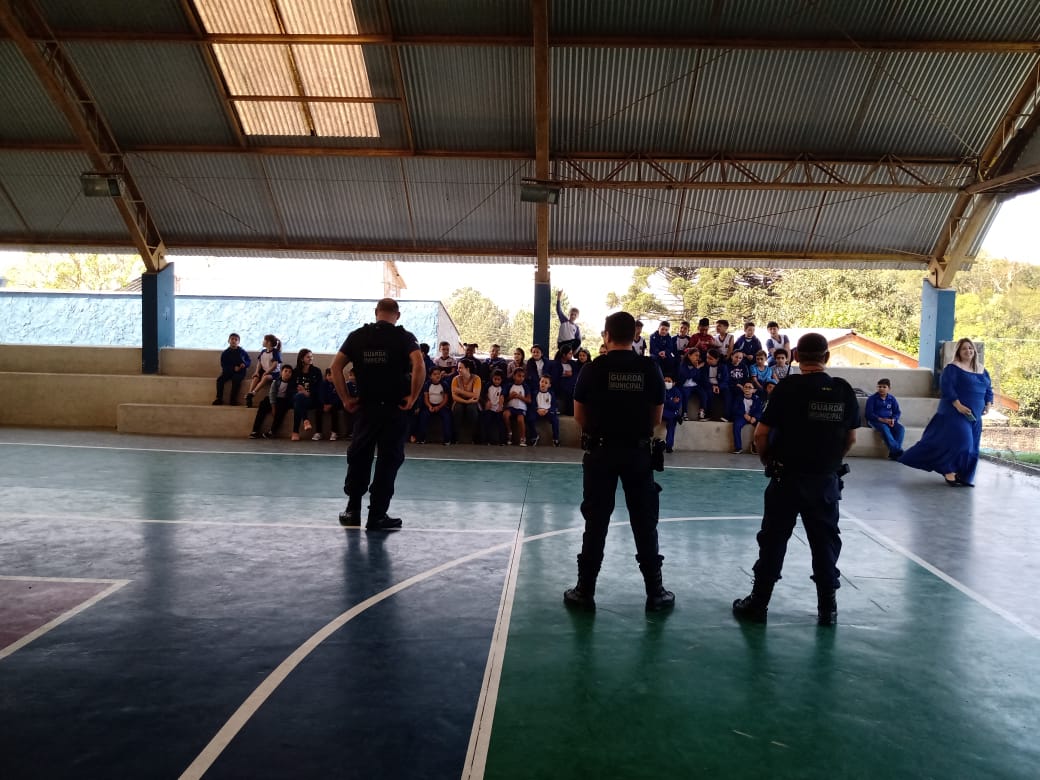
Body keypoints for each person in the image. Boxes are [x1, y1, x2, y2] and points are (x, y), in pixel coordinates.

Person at [732, 332, 860, 626]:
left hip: (787, 478)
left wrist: (768, 461)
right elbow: (851, 438)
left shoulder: (787, 388)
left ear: (796, 357)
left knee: (773, 541)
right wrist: (829, 463)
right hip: (824, 481)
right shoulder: (843, 390)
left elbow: (761, 434)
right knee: (825, 543)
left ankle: (759, 603)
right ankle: (828, 609)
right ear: (827, 357)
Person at [564, 311, 673, 613]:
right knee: (644, 521)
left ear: (607, 336)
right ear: (634, 336)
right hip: (638, 455)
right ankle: (655, 592)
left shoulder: (592, 369)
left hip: (601, 453)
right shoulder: (649, 368)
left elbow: (579, 415)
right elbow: (656, 417)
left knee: (596, 521)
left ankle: (585, 591)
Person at [331, 298, 425, 531]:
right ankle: (377, 516)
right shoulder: (404, 337)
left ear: (376, 312)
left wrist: (345, 399)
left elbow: (335, 367)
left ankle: (353, 510)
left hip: (366, 408)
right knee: (388, 460)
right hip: (394, 409)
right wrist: (413, 397)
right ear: (397, 315)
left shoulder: (358, 336)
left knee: (359, 456)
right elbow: (419, 364)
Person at [899, 338, 993, 487]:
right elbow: (947, 387)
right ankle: (948, 470)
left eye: (970, 348)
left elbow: (988, 389)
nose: (968, 351)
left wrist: (988, 404)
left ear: (974, 351)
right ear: (958, 352)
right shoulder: (952, 368)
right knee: (964, 443)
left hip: (975, 415)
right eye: (964, 348)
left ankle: (963, 476)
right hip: (955, 412)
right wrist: (958, 405)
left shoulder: (982, 370)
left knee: (973, 448)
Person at [249, 364, 294, 438]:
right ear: (281, 372)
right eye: (285, 371)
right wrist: (273, 408)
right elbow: (272, 395)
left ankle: (272, 432)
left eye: (290, 372)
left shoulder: (292, 384)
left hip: (283, 401)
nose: (287, 373)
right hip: (274, 399)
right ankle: (255, 430)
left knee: (282, 409)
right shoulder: (276, 382)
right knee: (263, 403)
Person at [865, 378, 905, 460]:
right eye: (879, 387)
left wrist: (893, 419)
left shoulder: (891, 399)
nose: (881, 389)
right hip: (875, 421)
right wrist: (882, 420)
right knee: (884, 428)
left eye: (884, 387)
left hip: (889, 421)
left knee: (901, 429)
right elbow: (869, 414)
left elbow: (897, 412)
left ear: (889, 388)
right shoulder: (872, 399)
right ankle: (898, 451)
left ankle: (894, 453)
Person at [291, 349, 324, 441]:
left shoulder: (316, 371)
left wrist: (307, 393)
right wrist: (300, 392)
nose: (311, 358)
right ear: (302, 359)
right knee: (298, 398)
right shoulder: (295, 372)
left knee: (298, 403)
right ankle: (305, 420)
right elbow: (291, 388)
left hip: (312, 399)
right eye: (308, 357)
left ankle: (295, 432)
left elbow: (319, 388)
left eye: (311, 357)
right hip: (298, 398)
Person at [416, 365, 453, 444]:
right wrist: (430, 406)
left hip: (441, 406)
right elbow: (426, 398)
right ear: (430, 376)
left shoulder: (444, 384)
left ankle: (447, 439)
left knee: (447, 417)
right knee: (423, 416)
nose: (437, 376)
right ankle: (421, 438)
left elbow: (445, 399)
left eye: (438, 374)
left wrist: (439, 407)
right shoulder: (427, 384)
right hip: (429, 405)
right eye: (435, 374)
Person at [213, 332, 251, 405]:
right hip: (228, 371)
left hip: (240, 372)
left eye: (236, 340)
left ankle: (233, 399)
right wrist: (233, 368)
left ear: (238, 342)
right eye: (232, 339)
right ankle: (219, 398)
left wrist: (245, 364)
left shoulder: (242, 352)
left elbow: (248, 360)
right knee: (220, 380)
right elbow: (224, 365)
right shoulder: (225, 353)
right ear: (229, 341)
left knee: (236, 379)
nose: (234, 341)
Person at [245, 334, 281, 408]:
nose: (262, 342)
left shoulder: (275, 352)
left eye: (264, 340)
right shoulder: (263, 351)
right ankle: (249, 395)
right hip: (264, 371)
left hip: (274, 373)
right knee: (255, 378)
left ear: (269, 342)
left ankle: (254, 393)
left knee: (265, 377)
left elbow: (274, 365)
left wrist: (267, 372)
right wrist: (256, 372)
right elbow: (259, 363)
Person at [450, 358, 481, 444]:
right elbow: (454, 397)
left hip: (473, 402)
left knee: (472, 409)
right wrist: (466, 401)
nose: (458, 370)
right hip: (460, 401)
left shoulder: (476, 379)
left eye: (460, 368)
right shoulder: (455, 379)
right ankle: (455, 437)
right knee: (458, 409)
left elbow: (476, 396)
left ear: (467, 369)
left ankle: (475, 437)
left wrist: (460, 391)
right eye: (458, 368)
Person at [732, 380, 764, 453]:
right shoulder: (738, 398)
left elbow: (759, 411)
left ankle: (755, 445)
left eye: (750, 387)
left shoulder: (757, 399)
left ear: (754, 390)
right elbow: (734, 409)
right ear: (743, 388)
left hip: (753, 417)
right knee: (736, 425)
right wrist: (744, 414)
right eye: (745, 387)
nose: (747, 389)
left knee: (760, 426)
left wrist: (755, 417)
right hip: (742, 417)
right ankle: (738, 447)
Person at [531, 375, 561, 446]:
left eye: (546, 382)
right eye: (542, 381)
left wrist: (548, 410)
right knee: (530, 418)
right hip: (538, 411)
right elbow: (532, 404)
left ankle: (555, 438)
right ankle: (534, 436)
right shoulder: (535, 393)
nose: (543, 384)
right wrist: (537, 409)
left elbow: (554, 405)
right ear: (539, 382)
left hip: (548, 411)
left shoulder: (551, 394)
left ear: (549, 385)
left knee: (555, 420)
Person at [662, 375, 683, 453]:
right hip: (661, 412)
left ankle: (669, 446)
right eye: (665, 380)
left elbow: (677, 406)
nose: (666, 382)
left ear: (674, 383)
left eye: (669, 381)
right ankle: (677, 416)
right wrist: (671, 401)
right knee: (673, 416)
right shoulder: (660, 389)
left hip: (670, 412)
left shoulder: (677, 392)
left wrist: (667, 402)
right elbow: (661, 403)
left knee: (672, 423)